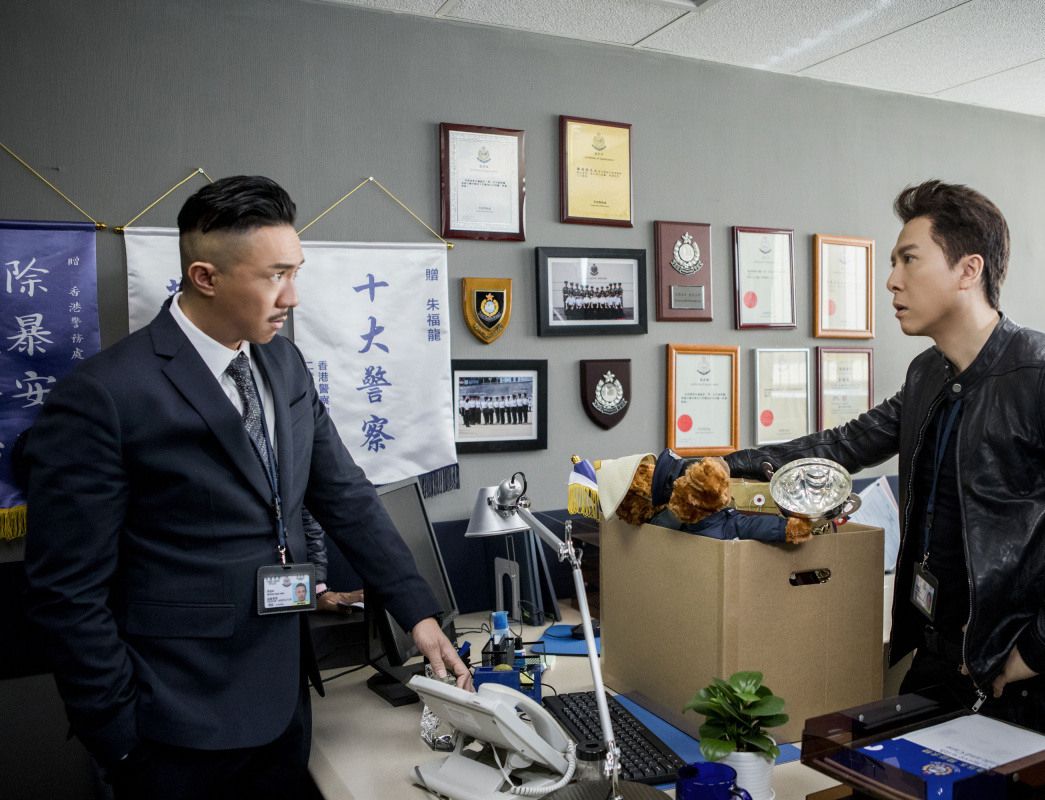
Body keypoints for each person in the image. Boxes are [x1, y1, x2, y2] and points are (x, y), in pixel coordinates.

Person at [21, 175, 470, 798]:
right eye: (274, 275)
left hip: (284, 702)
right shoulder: (105, 395)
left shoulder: (283, 364)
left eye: (296, 271)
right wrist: (118, 733)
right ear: (205, 277)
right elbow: (66, 590)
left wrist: (417, 612)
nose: (292, 296)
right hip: (172, 722)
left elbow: (345, 495)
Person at [726, 179, 1045, 732]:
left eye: (909, 260)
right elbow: (845, 445)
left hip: (1015, 675)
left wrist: (1034, 652)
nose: (892, 280)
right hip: (937, 659)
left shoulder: (1034, 375)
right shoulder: (927, 374)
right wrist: (718, 467)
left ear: (969, 270)